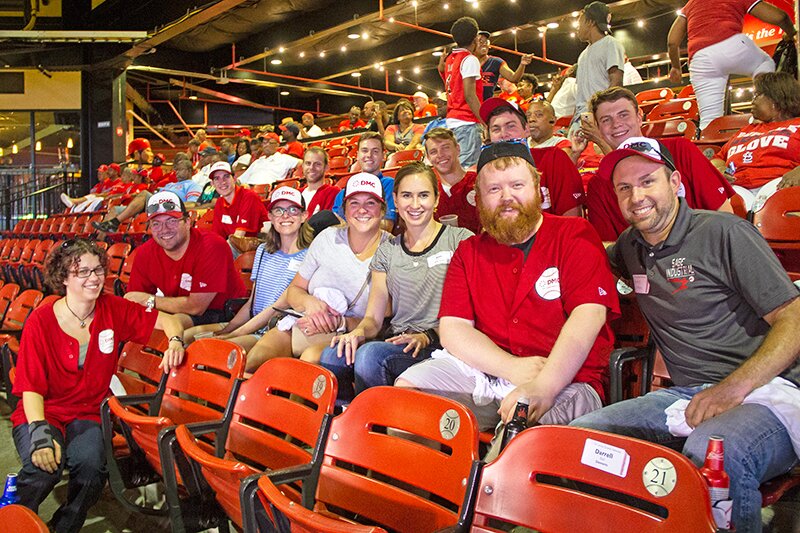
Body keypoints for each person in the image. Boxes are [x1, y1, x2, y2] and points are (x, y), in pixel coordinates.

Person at [571, 143, 800, 533]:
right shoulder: (630, 246)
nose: (636, 196)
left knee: (712, 452)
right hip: (686, 394)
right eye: (624, 188)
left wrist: (730, 389)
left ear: (675, 182)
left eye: (647, 182)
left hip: (769, 393)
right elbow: (585, 257)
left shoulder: (725, 232)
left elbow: (794, 317)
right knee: (580, 442)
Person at [395, 142, 618, 454]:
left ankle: (487, 498)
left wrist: (544, 386)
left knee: (519, 429)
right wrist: (510, 367)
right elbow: (453, 329)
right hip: (489, 371)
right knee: (406, 397)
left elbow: (589, 315)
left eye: (517, 185)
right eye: (494, 189)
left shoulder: (573, 234)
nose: (506, 197)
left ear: (538, 189)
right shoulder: (470, 251)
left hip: (565, 378)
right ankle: (424, 497)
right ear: (479, 199)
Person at [11, 239, 185, 533]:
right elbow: (31, 387)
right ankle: (13, 519)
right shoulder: (41, 320)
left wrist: (175, 341)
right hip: (44, 411)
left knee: (92, 471)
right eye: (82, 272)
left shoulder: (112, 309)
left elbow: (169, 320)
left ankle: (63, 527)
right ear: (63, 277)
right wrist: (40, 433)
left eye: (98, 270)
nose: (94, 278)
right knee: (43, 469)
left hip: (88, 413)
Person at [321, 163, 473, 404]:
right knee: (334, 353)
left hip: (441, 343)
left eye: (423, 195)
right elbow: (373, 318)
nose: (414, 204)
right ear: (395, 200)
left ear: (435, 199)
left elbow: (474, 312)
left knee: (370, 356)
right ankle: (348, 417)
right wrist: (358, 332)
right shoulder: (388, 250)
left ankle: (376, 428)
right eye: (406, 196)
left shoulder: (461, 240)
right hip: (399, 341)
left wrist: (428, 335)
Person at [244, 174, 391, 372]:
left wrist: (339, 322)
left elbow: (382, 322)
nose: (362, 210)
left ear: (382, 210)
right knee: (253, 361)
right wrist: (310, 303)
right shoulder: (327, 237)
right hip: (302, 322)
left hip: (350, 333)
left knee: (308, 363)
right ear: (345, 209)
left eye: (371, 203)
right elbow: (295, 289)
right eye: (354, 203)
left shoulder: (392, 249)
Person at [577, 87, 736, 240]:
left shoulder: (682, 149)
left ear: (639, 117)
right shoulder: (598, 185)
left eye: (623, 115)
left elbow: (725, 217)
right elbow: (608, 248)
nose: (616, 124)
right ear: (598, 128)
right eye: (606, 120)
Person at [185, 187, 311, 351]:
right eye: (279, 210)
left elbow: (276, 310)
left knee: (211, 349)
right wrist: (228, 329)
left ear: (303, 216)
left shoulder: (309, 256)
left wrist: (232, 335)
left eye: (293, 210)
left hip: (273, 331)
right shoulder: (263, 251)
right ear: (271, 217)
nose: (285, 215)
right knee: (187, 336)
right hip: (250, 323)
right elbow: (252, 303)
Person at [125, 191, 248, 328]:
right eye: (156, 224)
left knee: (174, 325)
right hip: (180, 311)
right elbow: (134, 298)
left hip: (226, 315)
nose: (164, 230)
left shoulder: (212, 245)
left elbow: (196, 307)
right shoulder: (145, 252)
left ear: (188, 222)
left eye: (171, 221)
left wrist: (149, 301)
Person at [667, 0, 796, 130]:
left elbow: (672, 41)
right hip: (731, 42)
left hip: (700, 58)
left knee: (709, 123)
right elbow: (780, 17)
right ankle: (761, 109)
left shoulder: (691, 4)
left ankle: (710, 147)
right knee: (764, 63)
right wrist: (792, 33)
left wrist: (676, 67)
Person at [481, 97, 585, 217]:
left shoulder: (554, 159)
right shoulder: (486, 171)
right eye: (496, 129)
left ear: (526, 129)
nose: (503, 134)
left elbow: (572, 219)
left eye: (511, 126)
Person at [711, 71, 800, 210]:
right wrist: (720, 169)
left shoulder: (797, 125)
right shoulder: (745, 131)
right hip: (737, 189)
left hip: (779, 186)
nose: (753, 100)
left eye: (757, 95)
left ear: (776, 98)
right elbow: (718, 158)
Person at [92, 159, 202, 233]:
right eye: (176, 169)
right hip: (152, 207)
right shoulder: (170, 184)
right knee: (114, 210)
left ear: (189, 171)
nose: (177, 172)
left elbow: (192, 204)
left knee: (144, 194)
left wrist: (171, 205)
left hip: (166, 208)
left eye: (180, 169)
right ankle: (99, 241)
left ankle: (115, 222)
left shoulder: (192, 185)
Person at [331, 132, 398, 230]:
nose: (369, 155)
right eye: (364, 150)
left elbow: (386, 227)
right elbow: (333, 230)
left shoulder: (388, 185)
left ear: (383, 156)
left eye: (375, 151)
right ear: (357, 155)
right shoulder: (343, 192)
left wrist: (346, 226)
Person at [423, 127, 481, 234]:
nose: (440, 155)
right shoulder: (428, 192)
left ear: (458, 149)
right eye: (433, 151)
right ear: (428, 158)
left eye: (445, 148)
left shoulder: (480, 183)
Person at [444, 17, 484, 168]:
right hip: (467, 121)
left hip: (452, 120)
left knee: (457, 168)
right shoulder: (470, 59)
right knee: (468, 169)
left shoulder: (450, 58)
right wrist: (484, 120)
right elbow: (469, 95)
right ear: (475, 38)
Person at [574, 1, 625, 117]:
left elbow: (616, 82)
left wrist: (602, 109)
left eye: (579, 24)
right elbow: (580, 93)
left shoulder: (611, 44)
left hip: (601, 113)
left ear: (590, 22)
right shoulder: (582, 55)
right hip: (582, 114)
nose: (577, 29)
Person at [208, 161, 269, 255]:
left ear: (235, 178)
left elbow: (239, 236)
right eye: (217, 178)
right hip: (239, 247)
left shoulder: (248, 196)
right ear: (212, 183)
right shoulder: (220, 203)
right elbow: (217, 236)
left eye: (226, 176)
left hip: (261, 245)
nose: (222, 182)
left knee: (223, 250)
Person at [459, 30, 533, 102]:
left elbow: (514, 78)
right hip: (466, 108)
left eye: (486, 42)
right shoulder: (464, 62)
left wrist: (522, 64)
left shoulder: (496, 62)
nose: (484, 44)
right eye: (480, 41)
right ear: (472, 44)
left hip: (485, 108)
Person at [237, 133, 302, 187]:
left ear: (277, 145)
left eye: (269, 142)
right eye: (264, 142)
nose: (265, 145)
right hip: (248, 188)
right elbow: (240, 180)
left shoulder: (284, 158)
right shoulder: (258, 161)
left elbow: (302, 163)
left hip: (265, 190)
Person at [299, 147, 340, 215]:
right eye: (308, 163)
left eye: (317, 164)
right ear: (303, 166)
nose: (311, 167)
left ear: (326, 167)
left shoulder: (333, 192)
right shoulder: (296, 193)